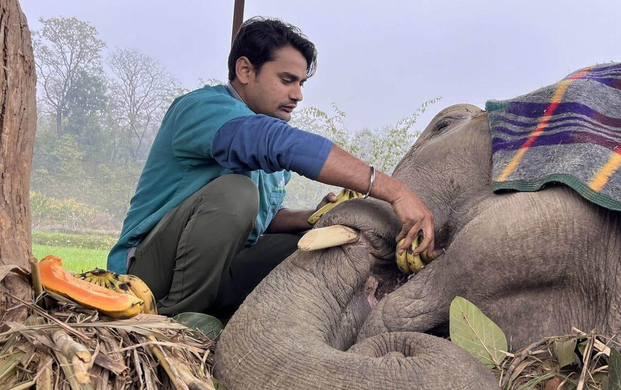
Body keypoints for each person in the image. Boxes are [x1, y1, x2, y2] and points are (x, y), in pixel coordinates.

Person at [107, 17, 434, 319]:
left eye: (302, 83)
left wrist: (313, 217)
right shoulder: (203, 109)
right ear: (246, 70)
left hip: (221, 265)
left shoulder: (265, 131)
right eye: (287, 80)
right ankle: (173, 320)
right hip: (149, 273)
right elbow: (273, 149)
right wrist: (393, 190)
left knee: (321, 244)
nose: (298, 95)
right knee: (236, 193)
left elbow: (261, 219)